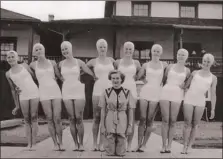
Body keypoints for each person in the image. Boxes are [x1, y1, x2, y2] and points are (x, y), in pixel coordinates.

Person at [59, 41, 95, 151]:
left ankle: (82, 144)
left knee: (79, 118)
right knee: (71, 118)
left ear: (71, 49)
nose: (65, 51)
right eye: (63, 49)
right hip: (66, 91)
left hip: (78, 90)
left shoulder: (79, 62)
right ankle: (75, 144)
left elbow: (91, 73)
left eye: (67, 48)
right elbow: (58, 76)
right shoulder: (60, 64)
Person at [30, 43, 63, 151]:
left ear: (44, 50)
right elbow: (29, 78)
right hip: (43, 92)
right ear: (34, 52)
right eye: (36, 49)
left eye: (40, 49)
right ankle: (55, 144)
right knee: (49, 118)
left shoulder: (52, 62)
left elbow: (59, 76)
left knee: (57, 118)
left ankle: (61, 143)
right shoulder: (32, 65)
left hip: (55, 90)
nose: (38, 51)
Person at [181, 53, 217, 154]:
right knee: (187, 122)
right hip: (189, 98)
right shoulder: (194, 73)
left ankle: (189, 146)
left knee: (195, 124)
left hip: (200, 101)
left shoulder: (213, 78)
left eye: (208, 62)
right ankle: (184, 146)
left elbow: (213, 94)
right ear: (202, 61)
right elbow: (185, 86)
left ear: (212, 63)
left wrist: (213, 109)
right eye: (204, 61)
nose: (206, 63)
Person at [135, 44, 168, 152]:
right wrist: (144, 81)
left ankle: (144, 145)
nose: (156, 53)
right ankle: (138, 144)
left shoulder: (164, 65)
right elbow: (137, 76)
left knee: (150, 120)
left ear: (161, 53)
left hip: (156, 93)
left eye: (158, 51)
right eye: (154, 51)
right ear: (151, 52)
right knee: (142, 118)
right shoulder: (145, 65)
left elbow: (166, 78)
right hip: (145, 92)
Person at [5, 50, 39, 150]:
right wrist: (17, 105)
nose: (11, 59)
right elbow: (12, 89)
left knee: (33, 117)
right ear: (7, 60)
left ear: (17, 58)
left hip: (34, 92)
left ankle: (34, 143)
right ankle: (29, 144)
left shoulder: (24, 66)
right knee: (27, 119)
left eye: (12, 57)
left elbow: (34, 77)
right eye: (9, 57)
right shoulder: (8, 74)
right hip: (23, 95)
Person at [159, 48, 190, 153]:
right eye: (179, 54)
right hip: (166, 92)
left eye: (183, 55)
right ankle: (163, 145)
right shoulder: (170, 67)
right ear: (176, 55)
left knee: (173, 120)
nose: (180, 56)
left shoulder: (187, 70)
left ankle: (169, 145)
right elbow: (163, 80)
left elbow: (187, 84)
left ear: (186, 57)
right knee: (165, 120)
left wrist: (184, 86)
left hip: (177, 94)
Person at [86, 39, 115, 151]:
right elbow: (83, 67)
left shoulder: (112, 60)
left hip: (110, 90)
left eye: (104, 47)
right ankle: (94, 143)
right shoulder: (93, 61)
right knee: (96, 117)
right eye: (100, 47)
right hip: (97, 90)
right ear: (97, 48)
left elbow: (118, 72)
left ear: (106, 48)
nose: (102, 49)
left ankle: (102, 143)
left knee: (107, 118)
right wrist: (92, 74)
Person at [100, 70, 134, 156]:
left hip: (122, 116)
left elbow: (130, 110)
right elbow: (103, 110)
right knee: (110, 141)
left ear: (121, 79)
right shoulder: (106, 92)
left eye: (117, 78)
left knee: (121, 148)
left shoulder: (127, 92)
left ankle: (121, 149)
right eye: (113, 78)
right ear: (110, 79)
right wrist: (103, 126)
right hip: (110, 115)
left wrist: (130, 126)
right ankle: (109, 149)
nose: (115, 80)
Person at [114, 41, 141, 152]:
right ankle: (120, 144)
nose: (128, 51)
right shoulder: (117, 62)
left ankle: (129, 145)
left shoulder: (137, 63)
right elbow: (113, 76)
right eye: (126, 49)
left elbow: (140, 75)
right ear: (123, 50)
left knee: (131, 119)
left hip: (132, 91)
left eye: (130, 49)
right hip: (119, 92)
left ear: (133, 50)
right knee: (119, 118)